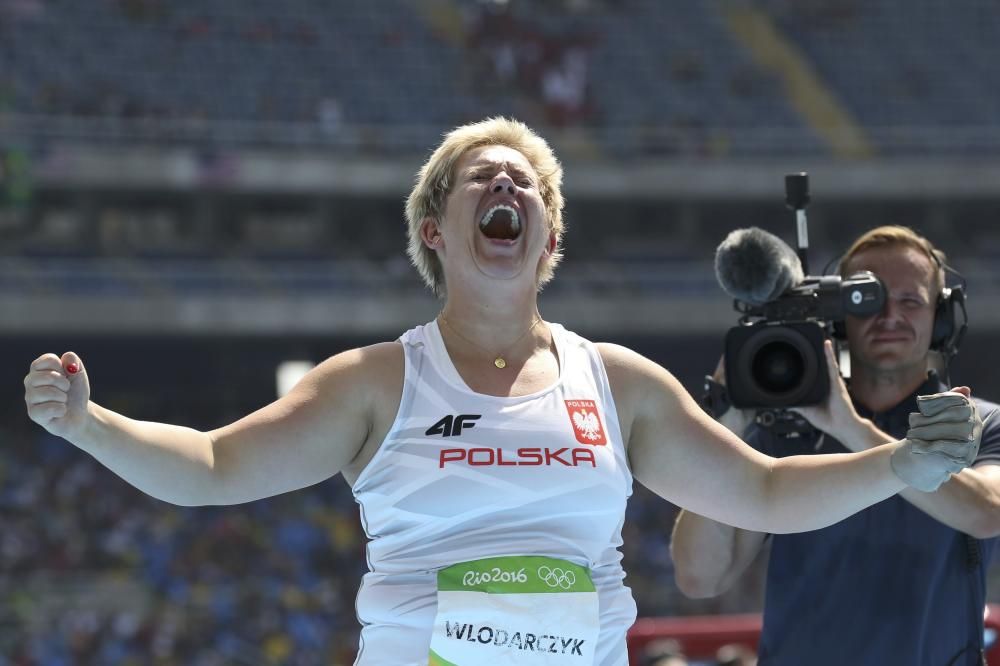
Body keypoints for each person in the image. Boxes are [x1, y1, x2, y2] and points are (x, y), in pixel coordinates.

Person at [24, 120, 984, 666]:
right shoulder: (374, 382)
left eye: (526, 184)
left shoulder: (617, 382)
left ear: (548, 241)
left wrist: (899, 463)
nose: (506, 188)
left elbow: (767, 493)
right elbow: (213, 466)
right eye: (481, 180)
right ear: (435, 230)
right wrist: (89, 423)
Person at [671, 226, 1000, 666]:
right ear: (841, 316)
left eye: (911, 301)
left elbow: (986, 512)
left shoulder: (979, 422)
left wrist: (851, 428)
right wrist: (726, 424)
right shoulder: (783, 434)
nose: (890, 316)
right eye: (870, 299)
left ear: (941, 318)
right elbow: (700, 576)